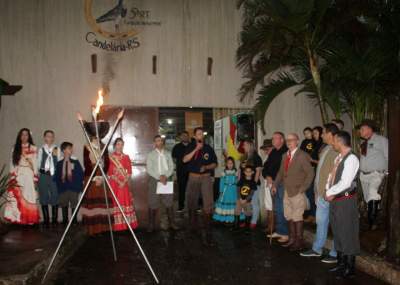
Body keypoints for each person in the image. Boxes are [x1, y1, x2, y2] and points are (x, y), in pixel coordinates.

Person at [300, 123, 339, 263]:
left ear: (330, 134)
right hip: (321, 194)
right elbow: (321, 171)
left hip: (332, 194)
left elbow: (337, 174)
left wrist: (331, 192)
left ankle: (335, 253)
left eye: (323, 133)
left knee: (335, 224)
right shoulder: (327, 148)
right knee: (321, 223)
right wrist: (317, 191)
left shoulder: (338, 149)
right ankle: (317, 249)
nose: (321, 135)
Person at [325, 131, 360, 279]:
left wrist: (330, 192)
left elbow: (345, 182)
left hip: (345, 201)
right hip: (336, 200)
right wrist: (328, 189)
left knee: (347, 233)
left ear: (340, 141)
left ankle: (350, 268)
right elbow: (331, 176)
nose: (332, 143)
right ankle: (341, 263)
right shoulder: (339, 158)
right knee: (338, 232)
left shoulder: (351, 159)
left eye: (334, 141)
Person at [273, 133, 314, 251]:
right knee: (289, 215)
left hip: (297, 191)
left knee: (297, 216)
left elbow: (310, 173)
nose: (289, 142)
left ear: (297, 141)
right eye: (287, 140)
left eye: (292, 140)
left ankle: (299, 242)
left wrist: (303, 188)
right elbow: (281, 172)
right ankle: (291, 239)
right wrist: (275, 185)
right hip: (286, 190)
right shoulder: (285, 155)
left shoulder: (302, 155)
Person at [183, 127, 217, 245]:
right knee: (192, 203)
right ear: (194, 136)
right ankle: (193, 228)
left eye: (202, 134)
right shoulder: (190, 147)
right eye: (198, 134)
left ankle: (208, 234)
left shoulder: (209, 148)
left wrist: (207, 167)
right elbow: (184, 160)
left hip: (206, 178)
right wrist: (196, 149)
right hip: (193, 178)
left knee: (208, 205)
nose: (200, 135)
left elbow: (214, 164)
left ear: (203, 136)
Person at [4, 128, 40, 225]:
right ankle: (18, 219)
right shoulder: (15, 148)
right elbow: (12, 163)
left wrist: (35, 177)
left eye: (26, 134)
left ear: (29, 136)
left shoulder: (33, 148)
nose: (24, 136)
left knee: (28, 197)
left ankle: (29, 221)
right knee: (17, 197)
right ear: (20, 136)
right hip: (18, 174)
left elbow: (35, 163)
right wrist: (12, 176)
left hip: (29, 175)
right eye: (22, 134)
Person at [358, 119, 388, 230]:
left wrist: (387, 172)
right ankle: (373, 218)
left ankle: (372, 223)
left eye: (362, 129)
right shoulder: (363, 143)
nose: (360, 131)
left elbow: (388, 156)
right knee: (368, 198)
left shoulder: (381, 140)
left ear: (369, 129)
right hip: (364, 175)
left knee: (373, 195)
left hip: (376, 174)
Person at [81, 137, 112, 235]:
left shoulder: (103, 146)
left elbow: (107, 162)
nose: (97, 137)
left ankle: (103, 228)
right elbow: (86, 163)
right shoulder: (87, 147)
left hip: (101, 175)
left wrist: (102, 177)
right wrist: (95, 177)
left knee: (102, 203)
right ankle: (92, 229)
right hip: (91, 176)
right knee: (92, 203)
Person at [146, 135, 177, 232]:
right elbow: (149, 169)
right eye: (156, 141)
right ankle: (151, 225)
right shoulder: (150, 155)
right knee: (152, 202)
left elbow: (172, 166)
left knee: (169, 202)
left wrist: (165, 176)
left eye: (160, 140)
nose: (158, 142)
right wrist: (159, 177)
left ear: (162, 142)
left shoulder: (168, 153)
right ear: (154, 143)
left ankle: (172, 223)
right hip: (155, 180)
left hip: (166, 180)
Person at [262, 132, 289, 243]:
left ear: (281, 140)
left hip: (281, 184)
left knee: (282, 208)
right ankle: (279, 230)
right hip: (272, 183)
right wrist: (267, 176)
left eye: (275, 138)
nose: (272, 140)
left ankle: (286, 233)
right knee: (277, 208)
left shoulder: (286, 152)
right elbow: (266, 166)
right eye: (272, 138)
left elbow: (283, 170)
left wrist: (274, 179)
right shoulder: (273, 152)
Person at [108, 138, 138, 231]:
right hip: (114, 183)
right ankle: (118, 226)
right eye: (118, 144)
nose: (119, 146)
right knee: (116, 202)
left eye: (121, 144)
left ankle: (127, 225)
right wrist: (118, 181)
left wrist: (123, 182)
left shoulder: (126, 157)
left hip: (123, 183)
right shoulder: (110, 157)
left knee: (125, 202)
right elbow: (109, 173)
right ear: (114, 145)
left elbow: (129, 171)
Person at [54, 142, 84, 225]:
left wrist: (78, 186)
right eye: (69, 148)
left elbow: (80, 173)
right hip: (63, 187)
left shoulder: (75, 161)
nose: (71, 150)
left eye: (71, 148)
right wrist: (59, 186)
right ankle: (65, 220)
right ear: (64, 150)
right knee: (64, 204)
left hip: (73, 187)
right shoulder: (60, 162)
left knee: (74, 203)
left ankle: (73, 220)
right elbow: (57, 175)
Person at [37, 130, 60, 226]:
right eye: (47, 136)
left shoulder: (56, 149)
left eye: (51, 136)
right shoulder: (41, 149)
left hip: (53, 175)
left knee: (55, 195)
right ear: (44, 138)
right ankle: (46, 220)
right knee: (43, 196)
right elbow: (38, 164)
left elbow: (58, 162)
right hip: (43, 175)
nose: (49, 138)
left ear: (53, 138)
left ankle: (54, 220)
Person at [240, 139, 263, 229]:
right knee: (244, 203)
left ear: (250, 145)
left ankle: (254, 221)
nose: (243, 147)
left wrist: (253, 184)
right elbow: (240, 171)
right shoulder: (244, 157)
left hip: (253, 184)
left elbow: (258, 171)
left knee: (254, 202)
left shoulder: (256, 157)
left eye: (245, 145)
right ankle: (246, 220)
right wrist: (239, 182)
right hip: (244, 184)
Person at [213, 157, 238, 224]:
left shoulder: (236, 172)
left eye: (231, 163)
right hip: (226, 190)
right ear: (226, 164)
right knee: (225, 203)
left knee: (233, 204)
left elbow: (237, 182)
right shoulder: (224, 172)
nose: (230, 165)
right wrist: (221, 191)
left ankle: (232, 218)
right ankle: (225, 218)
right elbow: (221, 183)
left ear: (233, 164)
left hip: (233, 191)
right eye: (228, 163)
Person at [233, 165, 258, 231]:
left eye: (250, 171)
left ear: (252, 172)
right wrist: (239, 198)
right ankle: (236, 227)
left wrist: (246, 200)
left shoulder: (253, 183)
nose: (248, 173)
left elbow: (251, 193)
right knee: (236, 212)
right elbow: (238, 189)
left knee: (248, 213)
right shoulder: (241, 180)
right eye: (247, 171)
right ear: (244, 172)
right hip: (239, 200)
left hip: (247, 201)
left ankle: (247, 228)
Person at [172, 131, 190, 212]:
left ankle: (194, 206)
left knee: (193, 189)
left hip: (192, 171)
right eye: (183, 135)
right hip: (181, 171)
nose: (185, 137)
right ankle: (181, 206)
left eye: (186, 136)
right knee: (181, 189)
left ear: (188, 137)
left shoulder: (192, 146)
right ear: (181, 137)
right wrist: (179, 164)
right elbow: (174, 158)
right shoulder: (177, 147)